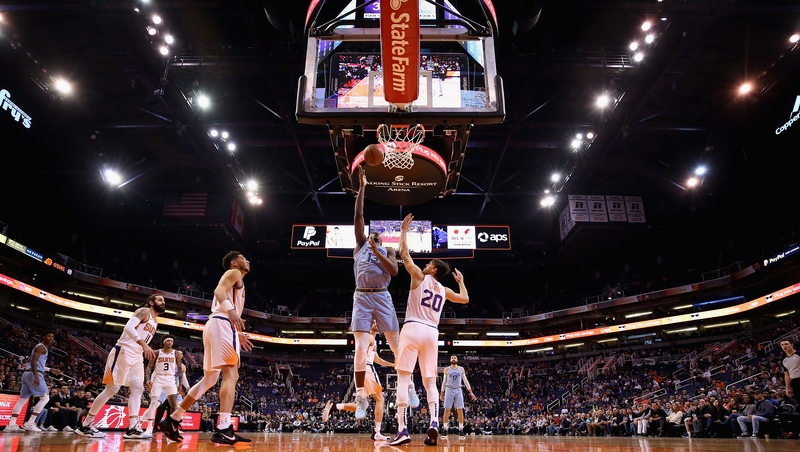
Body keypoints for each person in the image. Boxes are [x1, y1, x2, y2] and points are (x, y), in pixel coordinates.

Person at [390, 213, 469, 447]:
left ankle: (403, 429)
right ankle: (434, 422)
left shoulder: (418, 277)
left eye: (428, 264)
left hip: (413, 326)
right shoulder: (444, 290)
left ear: (433, 269)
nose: (425, 265)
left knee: (403, 379)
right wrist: (461, 281)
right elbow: (465, 299)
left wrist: (403, 232)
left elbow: (404, 255)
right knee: (429, 383)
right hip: (432, 333)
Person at [160, 251, 254, 445]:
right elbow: (219, 292)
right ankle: (223, 428)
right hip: (222, 323)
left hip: (217, 325)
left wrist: (237, 331)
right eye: (244, 258)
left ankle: (173, 418)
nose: (248, 261)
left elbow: (224, 299)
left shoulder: (237, 281)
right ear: (235, 262)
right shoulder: (234, 273)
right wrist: (231, 313)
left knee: (210, 379)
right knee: (231, 374)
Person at [351, 167, 410, 420]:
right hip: (362, 296)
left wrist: (377, 251)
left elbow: (395, 272)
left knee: (397, 346)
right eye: (371, 234)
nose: (373, 236)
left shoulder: (388, 252)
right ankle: (361, 395)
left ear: (382, 240)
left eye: (377, 236)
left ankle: (409, 386)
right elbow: (358, 215)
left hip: (383, 296)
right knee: (361, 348)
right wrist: (363, 187)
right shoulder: (360, 245)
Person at [76, 295, 162, 439]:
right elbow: (128, 327)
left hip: (137, 355)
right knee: (112, 389)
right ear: (151, 302)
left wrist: (143, 347)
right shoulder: (143, 312)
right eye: (160, 300)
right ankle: (86, 424)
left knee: (137, 388)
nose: (163, 302)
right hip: (123, 351)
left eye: (164, 301)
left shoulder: (156, 321)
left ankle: (133, 427)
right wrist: (144, 345)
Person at [322, 321, 394, 440]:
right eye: (374, 322)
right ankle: (377, 431)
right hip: (367, 368)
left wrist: (392, 364)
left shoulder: (372, 340)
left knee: (363, 406)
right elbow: (361, 349)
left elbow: (376, 359)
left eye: (377, 322)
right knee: (380, 399)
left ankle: (335, 406)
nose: (377, 324)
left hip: (361, 369)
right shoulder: (369, 337)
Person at [5, 330, 61, 432]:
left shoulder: (42, 348)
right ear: (43, 337)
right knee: (45, 398)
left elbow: (37, 364)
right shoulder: (40, 347)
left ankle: (11, 425)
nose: (51, 338)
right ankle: (30, 423)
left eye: (52, 337)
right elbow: (34, 362)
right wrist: (36, 376)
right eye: (49, 336)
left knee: (22, 400)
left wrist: (50, 370)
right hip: (33, 374)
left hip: (28, 373)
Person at [142, 335, 185, 437]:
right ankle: (149, 427)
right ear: (164, 342)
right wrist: (147, 379)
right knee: (153, 403)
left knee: (174, 405)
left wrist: (180, 385)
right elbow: (149, 368)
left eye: (171, 341)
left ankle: (173, 427)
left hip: (170, 380)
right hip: (159, 379)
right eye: (168, 341)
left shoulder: (176, 353)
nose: (170, 342)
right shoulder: (157, 352)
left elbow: (179, 370)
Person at [439, 355, 476, 439]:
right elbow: (444, 382)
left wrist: (471, 392)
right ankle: (445, 429)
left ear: (457, 360)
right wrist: (442, 392)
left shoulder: (461, 369)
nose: (453, 359)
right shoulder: (447, 369)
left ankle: (461, 430)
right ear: (450, 359)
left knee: (460, 410)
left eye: (455, 358)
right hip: (449, 389)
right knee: (447, 409)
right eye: (452, 358)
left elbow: (465, 380)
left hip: (458, 389)